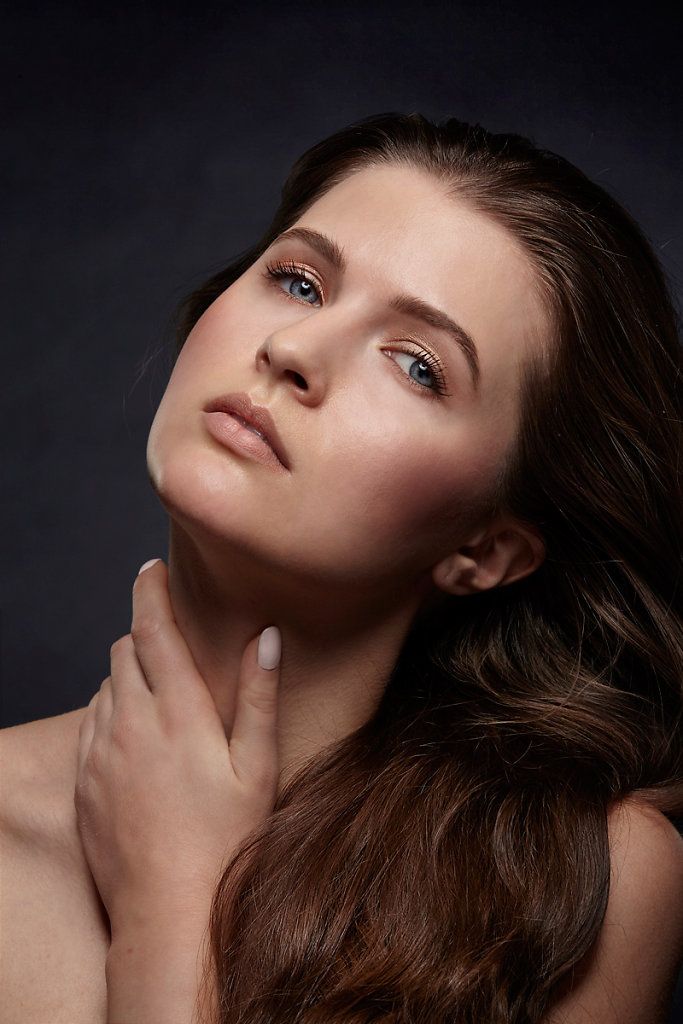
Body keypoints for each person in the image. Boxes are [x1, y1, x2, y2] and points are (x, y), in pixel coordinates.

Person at [1, 111, 682, 1024]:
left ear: (484, 550)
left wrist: (173, 915)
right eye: (298, 282)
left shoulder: (577, 880)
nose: (292, 350)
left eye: (416, 366)